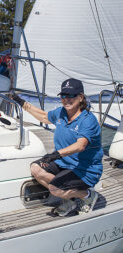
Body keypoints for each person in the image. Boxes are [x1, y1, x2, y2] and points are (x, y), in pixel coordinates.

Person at [13, 78, 103, 216]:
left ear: (80, 97)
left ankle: (87, 195)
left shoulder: (88, 120)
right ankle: (69, 199)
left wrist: (55, 155)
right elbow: (43, 117)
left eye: (71, 95)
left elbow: (81, 145)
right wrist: (22, 103)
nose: (66, 99)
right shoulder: (61, 112)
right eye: (63, 95)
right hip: (64, 162)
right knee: (36, 168)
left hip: (85, 169)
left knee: (55, 189)